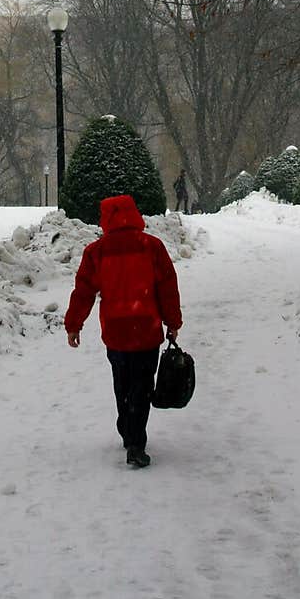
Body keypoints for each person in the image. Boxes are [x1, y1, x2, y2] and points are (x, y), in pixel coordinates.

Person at [64, 192, 182, 468]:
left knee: (122, 382)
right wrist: (172, 322)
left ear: (106, 219)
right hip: (146, 326)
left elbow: (83, 291)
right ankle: (136, 440)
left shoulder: (97, 251)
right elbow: (167, 288)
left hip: (115, 329)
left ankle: (127, 427)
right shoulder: (152, 246)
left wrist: (73, 324)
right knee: (143, 384)